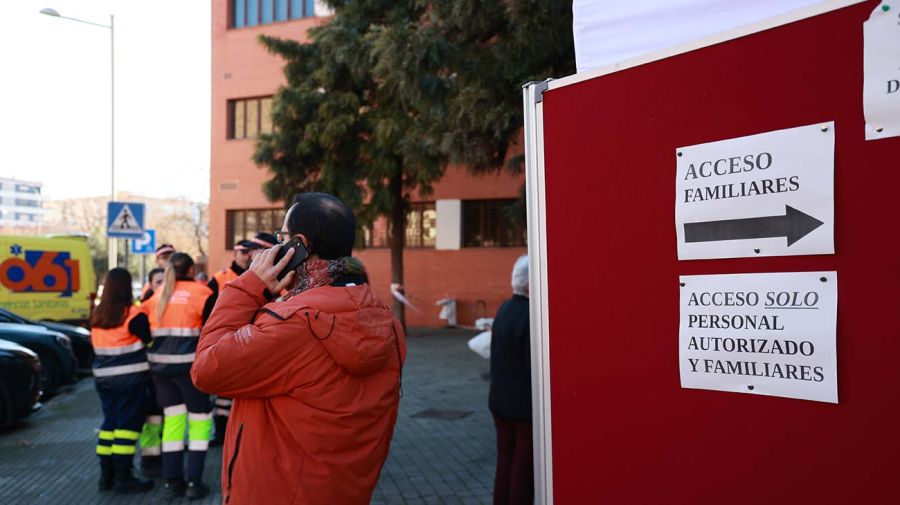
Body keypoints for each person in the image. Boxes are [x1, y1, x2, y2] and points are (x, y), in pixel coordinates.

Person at [191, 192, 406, 504]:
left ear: (299, 245)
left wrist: (247, 287)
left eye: (283, 236)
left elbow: (206, 370)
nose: (278, 245)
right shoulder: (384, 320)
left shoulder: (294, 324)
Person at [142, 253, 216, 499]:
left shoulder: (155, 296)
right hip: (191, 369)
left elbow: (143, 330)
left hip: (161, 369)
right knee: (200, 421)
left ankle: (172, 482)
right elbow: (215, 328)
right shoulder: (202, 293)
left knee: (173, 422)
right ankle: (194, 483)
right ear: (192, 269)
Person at [205, 232, 276, 445]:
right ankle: (223, 432)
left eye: (251, 251)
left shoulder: (269, 276)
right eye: (245, 251)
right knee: (225, 394)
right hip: (233, 337)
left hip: (258, 341)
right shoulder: (220, 278)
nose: (248, 255)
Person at [90, 268, 155, 494]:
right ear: (126, 287)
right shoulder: (133, 313)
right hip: (130, 379)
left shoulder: (97, 313)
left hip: (102, 379)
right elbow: (149, 341)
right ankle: (123, 478)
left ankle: (105, 477)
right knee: (127, 427)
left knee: (109, 424)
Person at [489, 256, 533, 505]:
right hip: (522, 408)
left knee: (505, 463)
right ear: (529, 285)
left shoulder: (504, 309)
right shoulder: (531, 315)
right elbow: (533, 366)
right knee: (523, 472)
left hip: (499, 402)